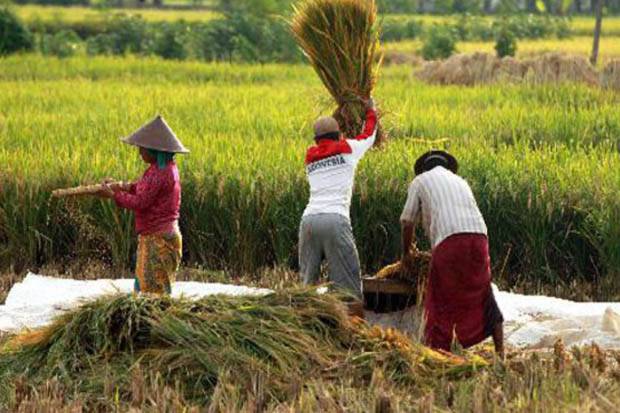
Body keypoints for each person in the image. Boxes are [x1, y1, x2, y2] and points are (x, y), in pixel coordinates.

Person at [400, 150, 504, 356]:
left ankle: (439, 353)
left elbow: (406, 220)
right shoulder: (461, 182)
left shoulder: (420, 181)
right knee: (482, 292)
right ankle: (500, 351)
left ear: (423, 169)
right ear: (448, 168)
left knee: (439, 297)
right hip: (480, 237)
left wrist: (406, 254)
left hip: (450, 239)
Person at [299, 98, 378, 316]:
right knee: (348, 288)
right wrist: (371, 110)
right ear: (339, 134)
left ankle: (301, 330)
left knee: (305, 288)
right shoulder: (348, 148)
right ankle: (354, 333)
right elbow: (369, 135)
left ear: (316, 139)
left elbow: (326, 148)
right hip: (335, 219)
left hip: (309, 221)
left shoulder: (310, 156)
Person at [98, 115, 189, 295]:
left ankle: (155, 322)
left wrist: (114, 195)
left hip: (159, 239)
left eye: (142, 148)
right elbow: (144, 189)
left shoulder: (159, 173)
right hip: (160, 236)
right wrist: (122, 186)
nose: (139, 152)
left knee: (152, 293)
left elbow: (141, 202)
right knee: (148, 288)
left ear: (154, 150)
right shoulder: (166, 168)